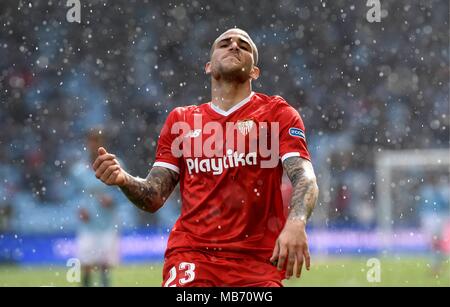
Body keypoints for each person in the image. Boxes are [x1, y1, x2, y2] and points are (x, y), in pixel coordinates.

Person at [93, 28, 319, 287]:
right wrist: (124, 180)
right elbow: (154, 196)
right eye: (225, 43)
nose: (234, 46)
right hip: (193, 256)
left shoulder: (278, 114)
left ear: (254, 72)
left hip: (256, 263)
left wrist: (296, 223)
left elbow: (305, 176)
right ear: (209, 66)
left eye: (244, 46)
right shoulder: (182, 121)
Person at [72, 129, 120, 287]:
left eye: (97, 141)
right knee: (86, 263)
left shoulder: (115, 165)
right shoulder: (79, 170)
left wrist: (112, 199)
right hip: (87, 225)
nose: (94, 144)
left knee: (105, 264)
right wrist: (80, 208)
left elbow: (124, 192)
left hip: (107, 223)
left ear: (103, 143)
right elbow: (71, 194)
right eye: (91, 141)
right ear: (87, 143)